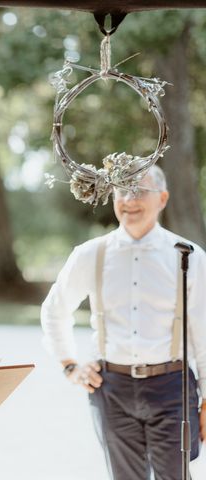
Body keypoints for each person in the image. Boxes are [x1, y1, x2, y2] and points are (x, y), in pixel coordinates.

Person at [41, 165, 206, 480]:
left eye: (140, 190)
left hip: (172, 388)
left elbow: (204, 331)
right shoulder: (91, 254)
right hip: (111, 389)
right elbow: (54, 310)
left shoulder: (188, 256)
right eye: (122, 190)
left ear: (163, 198)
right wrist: (70, 365)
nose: (130, 199)